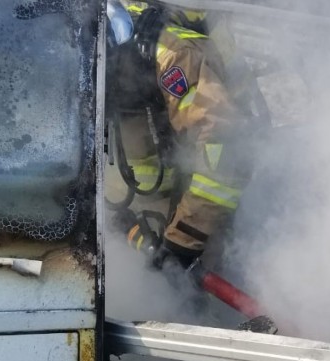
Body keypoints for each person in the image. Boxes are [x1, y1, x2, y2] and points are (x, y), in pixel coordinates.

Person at [105, 0, 252, 269]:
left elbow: (228, 154)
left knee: (191, 281)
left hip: (203, 214)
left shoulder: (172, 57)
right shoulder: (78, 45)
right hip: (144, 205)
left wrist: (181, 245)